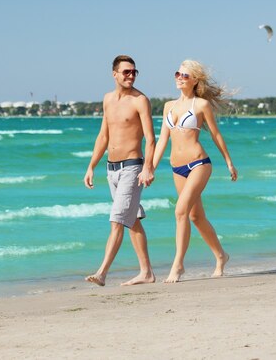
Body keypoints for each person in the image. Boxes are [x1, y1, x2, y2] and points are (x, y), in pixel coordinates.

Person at [151, 59, 238, 283]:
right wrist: (149, 166)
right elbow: (162, 140)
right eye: (177, 73)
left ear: (195, 80)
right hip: (177, 167)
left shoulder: (200, 105)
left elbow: (216, 134)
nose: (179, 77)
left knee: (180, 212)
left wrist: (228, 161)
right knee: (196, 216)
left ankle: (178, 265)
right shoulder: (168, 106)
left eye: (185, 75)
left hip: (199, 164)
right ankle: (221, 255)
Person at [83, 55, 156, 286]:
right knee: (132, 219)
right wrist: (91, 166)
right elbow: (103, 135)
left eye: (134, 72)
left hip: (132, 168)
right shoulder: (107, 99)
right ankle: (147, 273)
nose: (131, 75)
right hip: (111, 169)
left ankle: (102, 273)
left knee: (117, 221)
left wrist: (148, 168)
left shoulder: (140, 100)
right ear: (114, 74)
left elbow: (151, 139)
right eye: (126, 72)